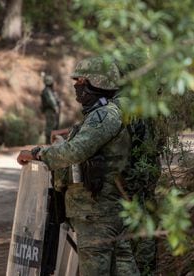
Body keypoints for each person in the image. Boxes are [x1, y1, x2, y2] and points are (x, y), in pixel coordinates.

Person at [17, 57, 139, 275]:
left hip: (96, 213)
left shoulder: (104, 115)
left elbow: (75, 151)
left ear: (96, 83)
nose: (76, 85)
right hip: (106, 210)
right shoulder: (107, 113)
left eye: (81, 80)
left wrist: (37, 154)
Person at [41, 74, 61, 144]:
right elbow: (51, 100)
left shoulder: (48, 90)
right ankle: (49, 143)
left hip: (50, 111)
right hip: (50, 111)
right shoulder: (47, 91)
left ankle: (51, 143)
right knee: (51, 127)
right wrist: (56, 108)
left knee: (52, 126)